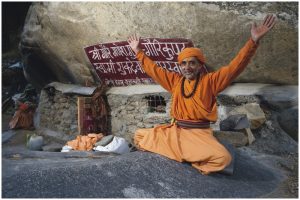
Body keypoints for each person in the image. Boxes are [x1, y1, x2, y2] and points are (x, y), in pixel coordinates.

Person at [127, 14, 276, 175]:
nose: (187, 67)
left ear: (199, 65)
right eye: (183, 63)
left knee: (223, 158)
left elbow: (235, 67)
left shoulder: (211, 81)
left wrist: (253, 41)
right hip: (175, 132)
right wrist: (137, 51)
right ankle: (187, 156)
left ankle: (187, 158)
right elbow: (153, 69)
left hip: (199, 135)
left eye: (192, 63)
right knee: (139, 135)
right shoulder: (175, 81)